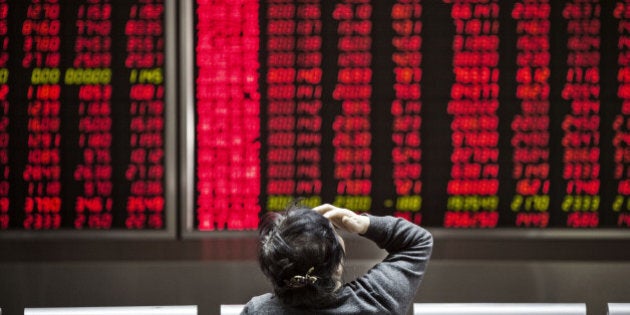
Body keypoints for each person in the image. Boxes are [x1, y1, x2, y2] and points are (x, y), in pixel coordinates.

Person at [241, 203, 433, 314]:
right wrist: (364, 224)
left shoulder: (258, 311)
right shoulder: (376, 301)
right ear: (337, 266)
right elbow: (418, 241)